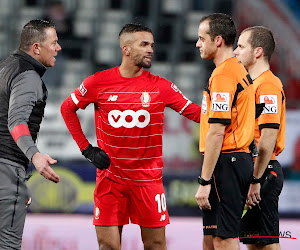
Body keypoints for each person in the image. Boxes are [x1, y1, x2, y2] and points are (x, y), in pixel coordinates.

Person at [60, 23, 201, 249]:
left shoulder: (161, 87)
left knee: (156, 245)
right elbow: (67, 108)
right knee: (108, 246)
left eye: (152, 45)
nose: (151, 49)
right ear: (125, 49)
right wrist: (86, 149)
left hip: (148, 181)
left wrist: (232, 113)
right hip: (110, 179)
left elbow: (196, 113)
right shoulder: (98, 82)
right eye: (144, 44)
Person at [194, 13, 255, 249]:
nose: (198, 44)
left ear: (217, 40)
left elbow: (218, 131)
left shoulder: (224, 75)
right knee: (210, 239)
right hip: (233, 160)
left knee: (223, 238)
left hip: (226, 162)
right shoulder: (235, 70)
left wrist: (205, 180)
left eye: (202, 38)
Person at [0, 19, 61, 249]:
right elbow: (16, 121)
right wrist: (35, 155)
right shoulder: (28, 75)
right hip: (6, 170)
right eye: (54, 42)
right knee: (7, 244)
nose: (58, 48)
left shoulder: (4, 67)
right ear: (36, 48)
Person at [234, 26, 285, 250]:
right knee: (254, 245)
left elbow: (268, 138)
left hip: (263, 173)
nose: (235, 51)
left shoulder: (267, 85)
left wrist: (256, 179)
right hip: (252, 173)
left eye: (241, 46)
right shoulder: (251, 84)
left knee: (267, 245)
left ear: (257, 52)